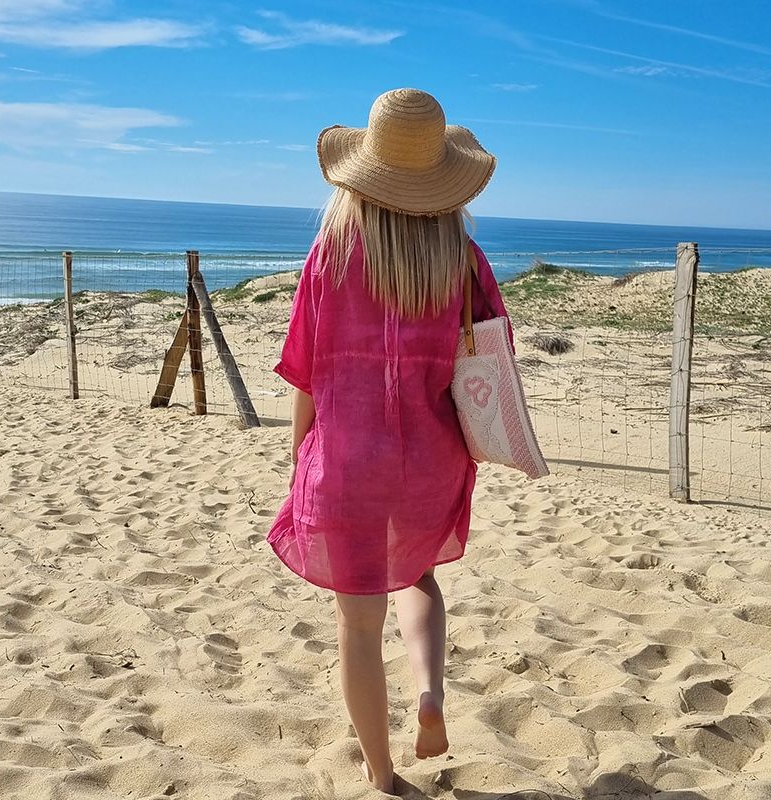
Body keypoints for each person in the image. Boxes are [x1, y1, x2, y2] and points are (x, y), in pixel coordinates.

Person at [266, 87, 513, 796]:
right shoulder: (462, 260)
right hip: (429, 458)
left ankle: (382, 775)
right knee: (421, 578)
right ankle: (430, 692)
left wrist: (300, 450)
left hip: (345, 461)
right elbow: (493, 355)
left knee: (357, 623)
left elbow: (304, 367)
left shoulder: (333, 252)